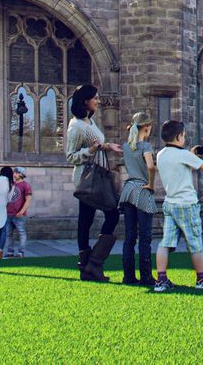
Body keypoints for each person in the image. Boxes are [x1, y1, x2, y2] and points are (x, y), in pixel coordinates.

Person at [151, 119, 203, 291]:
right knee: (195, 242)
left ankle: (161, 280)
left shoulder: (160, 155)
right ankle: (201, 279)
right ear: (178, 136)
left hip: (170, 203)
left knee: (165, 242)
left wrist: (190, 156)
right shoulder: (183, 155)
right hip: (187, 204)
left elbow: (180, 170)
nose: (184, 138)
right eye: (183, 135)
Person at [65, 84, 124, 281]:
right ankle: (91, 265)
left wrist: (106, 146)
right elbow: (70, 156)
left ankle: (91, 264)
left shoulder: (89, 122)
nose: (99, 101)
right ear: (85, 101)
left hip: (96, 177)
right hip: (86, 179)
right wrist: (89, 152)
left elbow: (95, 144)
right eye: (95, 98)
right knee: (93, 219)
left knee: (102, 217)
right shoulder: (76, 126)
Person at [120, 111, 161, 284]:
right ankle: (146, 276)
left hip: (128, 190)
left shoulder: (126, 146)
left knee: (129, 238)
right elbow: (151, 167)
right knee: (145, 237)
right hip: (142, 190)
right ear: (146, 127)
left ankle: (128, 276)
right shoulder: (145, 147)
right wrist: (151, 184)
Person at [5, 167, 32, 257]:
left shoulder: (26, 185)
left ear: (21, 174)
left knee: (21, 233)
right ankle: (10, 251)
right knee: (8, 234)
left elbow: (28, 200)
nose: (14, 174)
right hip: (8, 213)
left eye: (16, 173)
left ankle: (21, 252)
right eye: (14, 172)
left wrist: (22, 211)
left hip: (19, 215)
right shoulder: (10, 184)